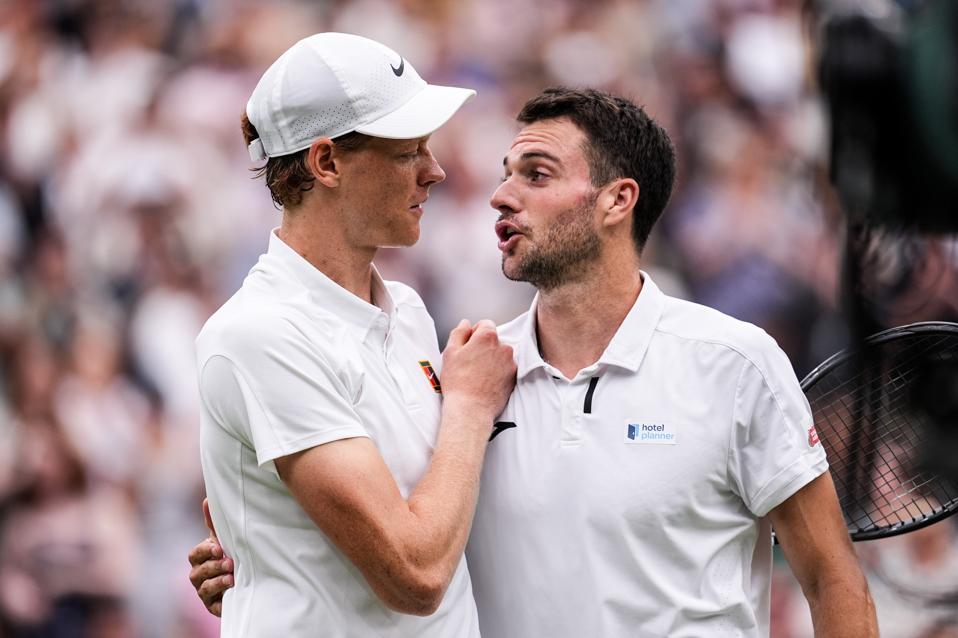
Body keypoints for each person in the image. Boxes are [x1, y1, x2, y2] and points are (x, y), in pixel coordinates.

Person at [190, 86, 878, 637]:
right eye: (504, 174)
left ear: (618, 200)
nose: (499, 195)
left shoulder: (737, 363)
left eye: (536, 174)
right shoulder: (465, 376)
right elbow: (401, 536)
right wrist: (264, 557)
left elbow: (831, 578)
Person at [192, 32, 515, 637]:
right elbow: (414, 575)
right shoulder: (260, 333)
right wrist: (469, 405)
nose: (435, 171)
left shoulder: (410, 312)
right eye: (407, 152)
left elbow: (438, 501)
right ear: (327, 163)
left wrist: (263, 541)